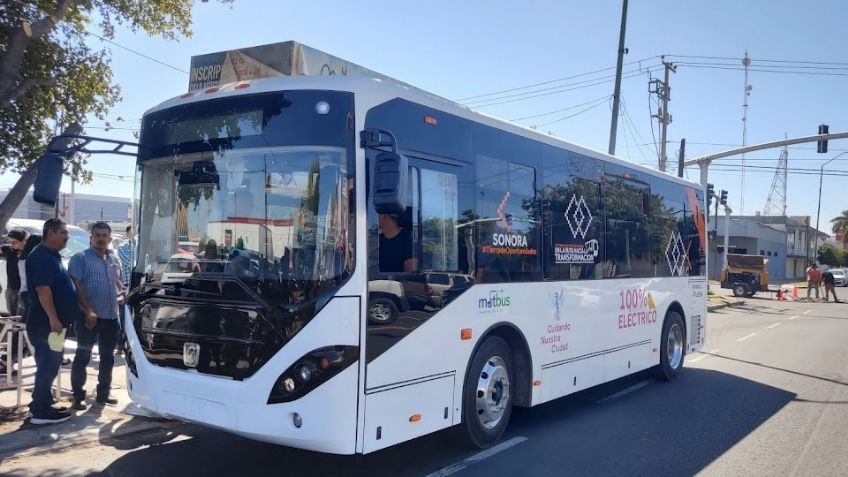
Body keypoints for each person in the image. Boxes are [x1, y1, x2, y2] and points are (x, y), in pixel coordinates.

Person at [25, 219, 76, 424]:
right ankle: (40, 411)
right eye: (63, 232)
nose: (67, 237)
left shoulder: (51, 256)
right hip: (45, 323)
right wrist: (53, 318)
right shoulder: (41, 256)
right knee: (48, 364)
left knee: (50, 364)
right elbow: (43, 290)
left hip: (52, 324)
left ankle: (41, 403)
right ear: (51, 232)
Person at [69, 222, 123, 410]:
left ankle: (103, 394)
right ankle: (78, 397)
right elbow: (76, 286)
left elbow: (118, 284)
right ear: (91, 237)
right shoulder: (80, 258)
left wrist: (123, 293)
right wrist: (88, 310)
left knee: (107, 357)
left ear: (109, 238)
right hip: (88, 318)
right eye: (97, 235)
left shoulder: (114, 258)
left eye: (104, 235)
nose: (101, 239)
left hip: (110, 316)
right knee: (83, 356)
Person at [1, 228, 28, 315]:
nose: (11, 244)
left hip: (23, 291)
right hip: (10, 289)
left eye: (14, 242)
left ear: (23, 241)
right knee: (12, 317)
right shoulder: (9, 250)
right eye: (10, 242)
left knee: (20, 317)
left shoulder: (30, 252)